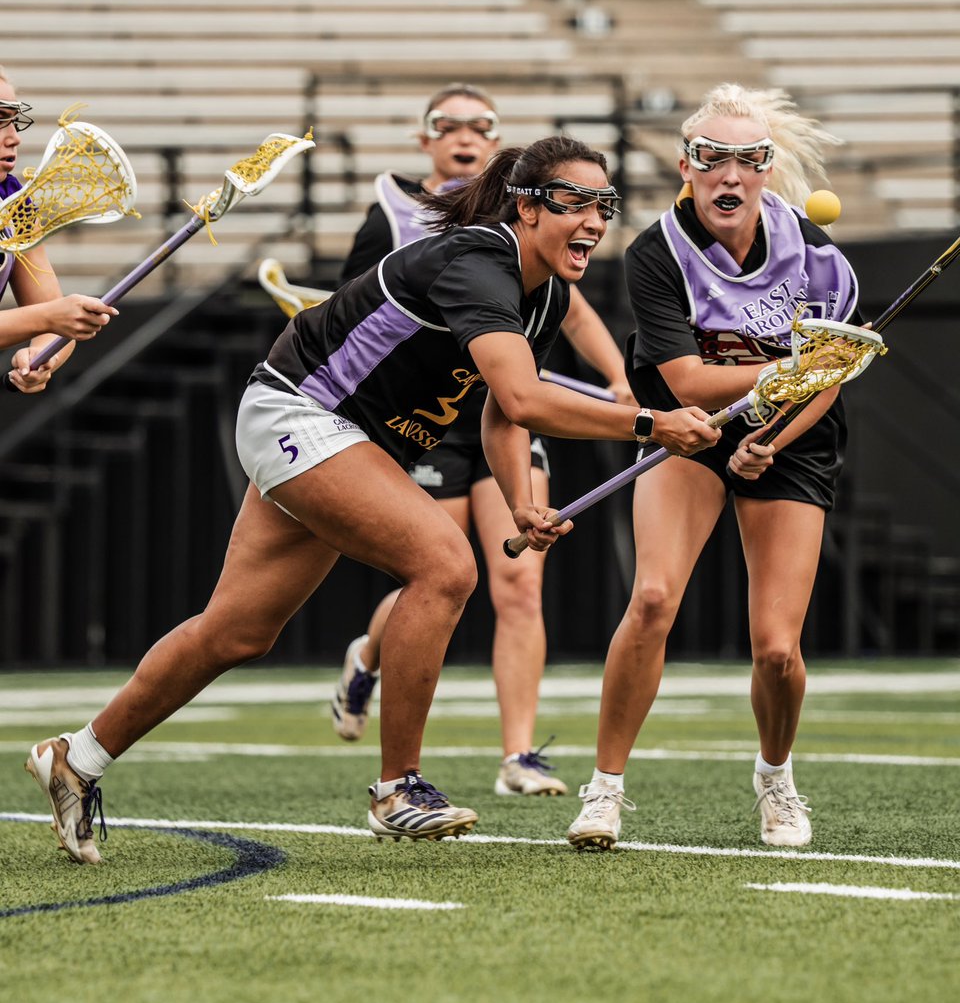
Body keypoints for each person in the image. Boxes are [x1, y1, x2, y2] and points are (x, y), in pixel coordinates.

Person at [26, 133, 719, 864]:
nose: (593, 220)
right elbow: (526, 396)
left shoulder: (544, 295)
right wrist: (650, 423)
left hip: (350, 441)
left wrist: (519, 499)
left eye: (603, 205)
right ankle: (398, 788)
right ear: (526, 207)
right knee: (446, 565)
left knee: (236, 631)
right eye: (574, 202)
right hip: (300, 413)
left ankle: (78, 757)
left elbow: (499, 410)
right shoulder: (479, 260)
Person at [566, 84, 858, 852]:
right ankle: (604, 790)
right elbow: (691, 380)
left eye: (748, 160)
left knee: (776, 647)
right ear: (685, 166)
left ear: (767, 169)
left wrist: (779, 433)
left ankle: (775, 776)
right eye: (712, 158)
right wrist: (792, 363)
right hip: (685, 432)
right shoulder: (656, 254)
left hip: (789, 439)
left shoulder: (817, 253)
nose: (730, 175)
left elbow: (829, 379)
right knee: (655, 598)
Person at [331, 83, 635, 799]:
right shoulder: (396, 216)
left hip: (505, 408)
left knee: (520, 582)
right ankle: (370, 660)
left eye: (481, 126)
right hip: (428, 417)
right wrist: (649, 423)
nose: (465, 136)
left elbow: (573, 315)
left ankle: (519, 755)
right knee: (439, 573)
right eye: (449, 125)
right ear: (425, 140)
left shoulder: (538, 229)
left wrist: (620, 379)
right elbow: (356, 305)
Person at [0, 69, 118, 389]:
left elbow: (52, 316)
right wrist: (48, 317)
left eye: (13, 120)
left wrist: (42, 355)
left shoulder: (14, 202)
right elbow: (50, 314)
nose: (14, 137)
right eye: (0, 118)